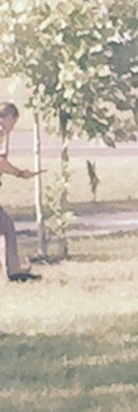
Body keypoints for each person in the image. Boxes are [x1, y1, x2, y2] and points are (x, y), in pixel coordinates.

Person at [0, 102, 41, 281]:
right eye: (14, 123)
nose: (13, 128)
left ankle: (12, 271)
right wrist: (20, 174)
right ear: (9, 118)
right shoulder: (1, 132)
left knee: (5, 228)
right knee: (6, 227)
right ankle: (13, 273)